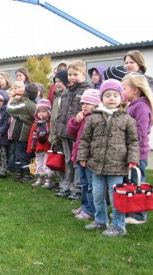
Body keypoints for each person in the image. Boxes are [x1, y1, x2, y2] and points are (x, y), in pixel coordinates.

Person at [78, 79, 139, 237]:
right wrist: (82, 156)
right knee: (97, 195)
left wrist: (132, 160)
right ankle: (100, 220)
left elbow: (133, 142)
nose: (111, 98)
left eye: (115, 95)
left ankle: (118, 225)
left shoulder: (127, 119)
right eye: (107, 95)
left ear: (121, 98)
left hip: (117, 167)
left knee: (116, 197)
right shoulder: (93, 118)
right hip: (96, 165)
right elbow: (85, 140)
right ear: (101, 98)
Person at [122, 72, 153, 224]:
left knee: (136, 184)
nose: (121, 91)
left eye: (124, 88)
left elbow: (140, 133)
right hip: (128, 152)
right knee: (129, 183)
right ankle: (127, 212)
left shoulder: (141, 107)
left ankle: (139, 215)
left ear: (135, 90)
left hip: (138, 153)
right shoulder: (132, 105)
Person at [54, 60, 91, 200]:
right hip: (65, 132)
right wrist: (58, 130)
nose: (72, 77)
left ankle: (77, 187)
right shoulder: (66, 92)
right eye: (70, 74)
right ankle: (66, 185)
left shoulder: (87, 91)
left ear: (84, 74)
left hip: (79, 133)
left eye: (76, 74)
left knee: (76, 161)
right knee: (68, 160)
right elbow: (61, 113)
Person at [67, 89, 101, 220]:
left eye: (88, 103)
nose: (85, 106)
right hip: (79, 156)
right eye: (83, 103)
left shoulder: (95, 119)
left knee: (91, 185)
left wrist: (86, 157)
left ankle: (90, 210)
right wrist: (76, 121)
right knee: (84, 184)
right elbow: (70, 132)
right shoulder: (81, 117)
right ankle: (85, 206)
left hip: (89, 158)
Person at [7, 82, 37, 182]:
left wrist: (14, 99)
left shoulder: (25, 105)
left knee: (22, 155)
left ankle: (28, 175)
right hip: (30, 134)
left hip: (22, 134)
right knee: (29, 155)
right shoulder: (34, 104)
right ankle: (27, 172)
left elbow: (10, 109)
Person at [47, 69, 69, 190]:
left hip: (62, 133)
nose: (57, 84)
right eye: (55, 81)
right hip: (55, 133)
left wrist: (58, 133)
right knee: (58, 158)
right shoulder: (56, 98)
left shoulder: (66, 98)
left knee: (65, 159)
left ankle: (65, 182)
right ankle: (60, 181)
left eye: (60, 81)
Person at [27, 99, 52, 188]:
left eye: (44, 111)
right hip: (37, 148)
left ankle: (48, 179)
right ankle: (39, 178)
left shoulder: (50, 124)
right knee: (39, 164)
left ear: (48, 112)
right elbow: (31, 138)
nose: (41, 114)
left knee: (46, 164)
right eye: (39, 111)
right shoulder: (36, 124)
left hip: (47, 148)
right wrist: (30, 149)